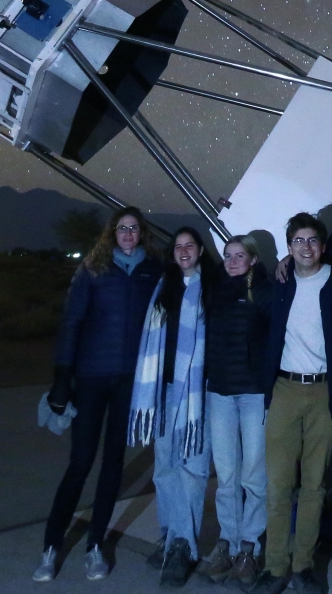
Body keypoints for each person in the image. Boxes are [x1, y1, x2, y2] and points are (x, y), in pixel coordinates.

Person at [37, 207, 162, 583]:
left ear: (142, 233)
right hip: (91, 377)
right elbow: (72, 322)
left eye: (134, 228)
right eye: (122, 228)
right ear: (112, 233)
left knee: (112, 465)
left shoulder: (153, 271)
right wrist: (62, 377)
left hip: (129, 382)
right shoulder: (92, 268)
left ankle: (95, 547)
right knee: (80, 462)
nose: (128, 234)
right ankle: (50, 548)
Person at [252, 213, 332, 594]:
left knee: (314, 486)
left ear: (323, 246)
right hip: (284, 389)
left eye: (312, 240)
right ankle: (274, 567)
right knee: (278, 485)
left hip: (324, 391)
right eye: (298, 241)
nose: (306, 247)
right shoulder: (279, 285)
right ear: (289, 247)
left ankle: (303, 566)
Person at [131, 225, 212, 587]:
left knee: (191, 469)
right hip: (163, 392)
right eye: (178, 246)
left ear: (200, 251)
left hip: (197, 395)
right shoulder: (163, 287)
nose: (184, 251)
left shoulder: (212, 287)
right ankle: (169, 535)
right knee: (164, 468)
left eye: (190, 245)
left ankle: (183, 546)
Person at [199, 233, 275, 587]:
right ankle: (228, 543)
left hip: (253, 393)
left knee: (254, 474)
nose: (232, 261)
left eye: (239, 255)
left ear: (253, 259)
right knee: (227, 475)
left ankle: (251, 547)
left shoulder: (264, 291)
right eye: (227, 255)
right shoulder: (214, 290)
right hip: (220, 393)